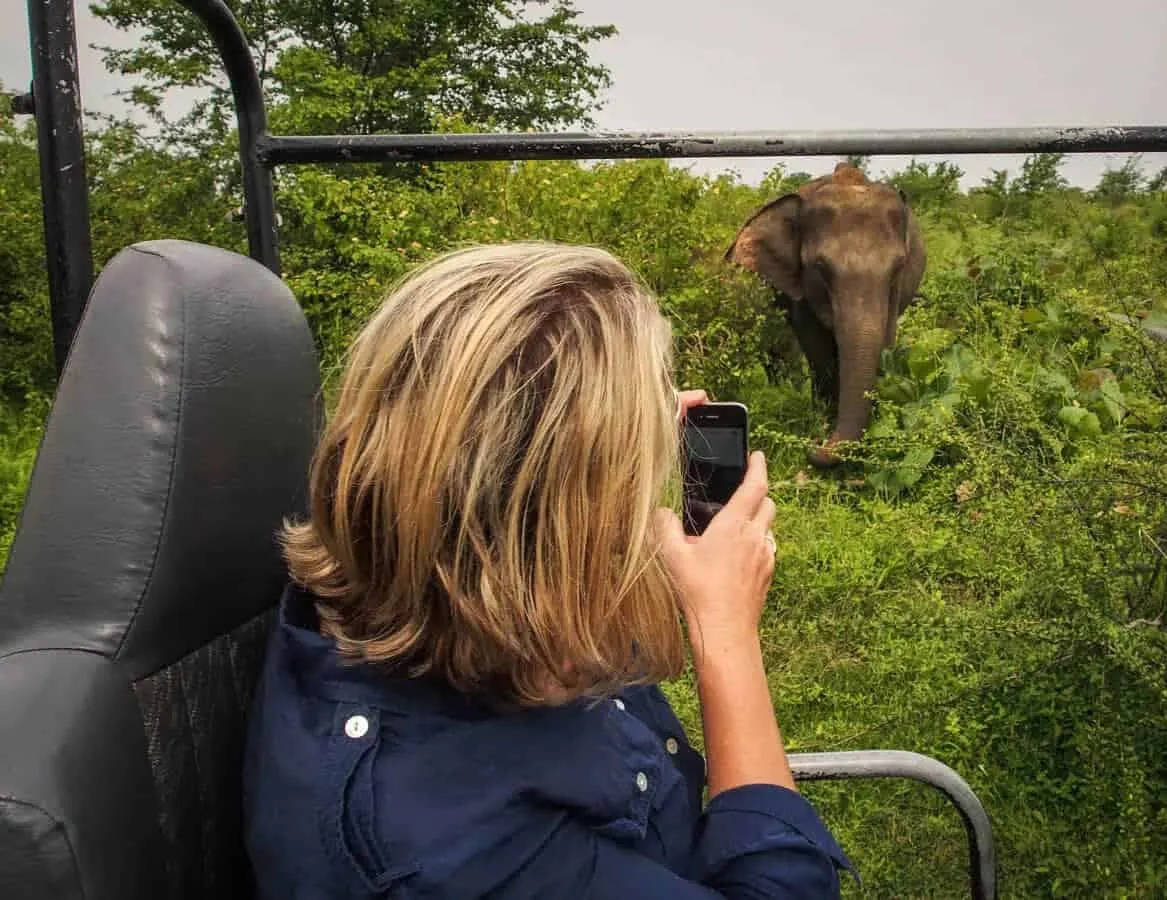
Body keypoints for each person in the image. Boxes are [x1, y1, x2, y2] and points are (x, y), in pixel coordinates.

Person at [242, 241, 854, 898]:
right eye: (617, 466)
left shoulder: (398, 559)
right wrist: (726, 632)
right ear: (548, 520)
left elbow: (481, 466)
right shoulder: (448, 849)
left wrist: (605, 442)